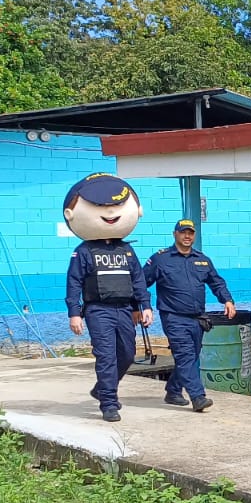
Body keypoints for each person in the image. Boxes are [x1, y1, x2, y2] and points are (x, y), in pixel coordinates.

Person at [62, 173, 153, 423]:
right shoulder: (83, 252)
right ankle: (109, 403)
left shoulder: (126, 250)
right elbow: (74, 283)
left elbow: (138, 280)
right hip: (98, 310)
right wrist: (74, 313)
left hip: (124, 309)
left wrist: (145, 306)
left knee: (127, 355)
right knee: (106, 356)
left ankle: (101, 388)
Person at [142, 218, 235, 413]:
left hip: (197, 318)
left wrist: (227, 300)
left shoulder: (202, 259)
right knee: (185, 355)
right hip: (173, 317)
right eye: (183, 232)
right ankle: (198, 397)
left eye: (190, 233)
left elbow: (216, 282)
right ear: (175, 234)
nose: (187, 236)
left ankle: (173, 391)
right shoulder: (161, 258)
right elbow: (141, 283)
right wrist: (144, 307)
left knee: (190, 357)